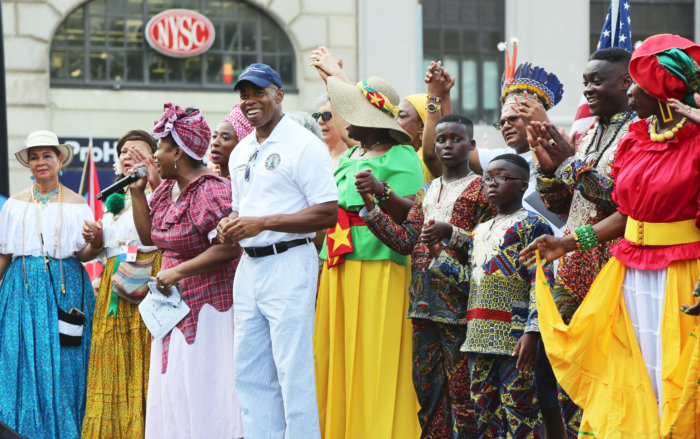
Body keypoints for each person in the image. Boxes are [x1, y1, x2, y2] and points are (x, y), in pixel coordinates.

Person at [521, 34, 700, 438]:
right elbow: (625, 214)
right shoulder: (637, 140)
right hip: (630, 272)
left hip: (682, 273)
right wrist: (564, 243)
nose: (631, 90)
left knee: (674, 374)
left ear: (662, 88)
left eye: (636, 83)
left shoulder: (693, 140)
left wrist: (569, 162)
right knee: (629, 370)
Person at [218, 64, 338, 438]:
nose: (250, 101)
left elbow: (327, 213)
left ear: (279, 94)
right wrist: (231, 223)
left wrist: (263, 222)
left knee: (292, 368)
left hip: (289, 261)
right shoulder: (240, 151)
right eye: (244, 95)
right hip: (249, 268)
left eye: (258, 93)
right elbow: (244, 208)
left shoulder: (304, 145)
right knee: (249, 370)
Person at [360, 114, 489, 438]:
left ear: (471, 145)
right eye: (442, 139)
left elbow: (490, 244)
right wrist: (371, 205)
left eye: (456, 139)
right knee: (427, 391)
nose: (447, 145)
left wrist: (452, 234)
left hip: (460, 308)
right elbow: (406, 241)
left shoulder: (482, 190)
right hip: (422, 305)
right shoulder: (426, 191)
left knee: (463, 393)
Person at [313, 74, 424, 439]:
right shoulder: (350, 154)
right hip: (340, 263)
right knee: (338, 354)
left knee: (377, 355)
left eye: (353, 113)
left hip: (380, 265)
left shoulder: (402, 155)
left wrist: (380, 191)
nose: (346, 120)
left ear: (373, 122)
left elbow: (412, 213)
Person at [130, 103, 243, 439]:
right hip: (172, 306)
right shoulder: (167, 188)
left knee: (203, 383)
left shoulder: (212, 190)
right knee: (175, 382)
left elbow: (229, 246)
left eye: (161, 148)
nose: (156, 156)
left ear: (177, 151)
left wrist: (177, 274)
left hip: (209, 307)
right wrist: (138, 195)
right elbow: (151, 237)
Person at [430, 154, 554, 438]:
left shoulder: (533, 226)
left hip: (515, 339)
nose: (492, 184)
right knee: (485, 414)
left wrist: (532, 332)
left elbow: (541, 281)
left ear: (524, 185)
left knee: (520, 412)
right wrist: (441, 257)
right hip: (478, 336)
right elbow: (470, 284)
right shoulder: (479, 230)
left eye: (502, 177)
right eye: (487, 178)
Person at [0, 130, 97, 439]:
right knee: (21, 361)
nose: (40, 161)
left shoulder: (77, 203)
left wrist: (97, 241)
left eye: (47, 155)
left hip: (66, 288)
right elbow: (4, 255)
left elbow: (85, 253)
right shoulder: (13, 205)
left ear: (59, 160)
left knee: (66, 363)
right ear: (28, 164)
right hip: (21, 291)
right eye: (34, 156)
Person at [530, 47, 635, 325]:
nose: (588, 90)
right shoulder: (588, 136)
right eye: (585, 82)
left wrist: (568, 163)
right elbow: (561, 206)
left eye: (597, 81)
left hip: (612, 264)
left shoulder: (640, 133)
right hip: (571, 264)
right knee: (561, 357)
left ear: (626, 82)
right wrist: (550, 171)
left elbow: (620, 201)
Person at [81, 130, 162, 438]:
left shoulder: (159, 189)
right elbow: (95, 252)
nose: (128, 155)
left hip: (145, 275)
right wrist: (95, 239)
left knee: (141, 355)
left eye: (137, 150)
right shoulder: (114, 199)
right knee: (111, 357)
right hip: (114, 280)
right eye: (124, 151)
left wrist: (151, 179)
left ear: (153, 156)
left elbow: (153, 235)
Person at [210, 104, 254, 179]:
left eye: (225, 138)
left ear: (241, 143)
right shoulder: (209, 181)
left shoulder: (246, 183)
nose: (215, 143)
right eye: (214, 136)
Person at [314, 95, 348, 170]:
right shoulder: (313, 154)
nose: (319, 121)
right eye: (317, 116)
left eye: (326, 115)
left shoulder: (353, 157)